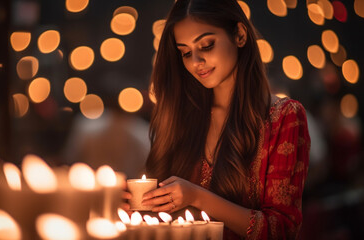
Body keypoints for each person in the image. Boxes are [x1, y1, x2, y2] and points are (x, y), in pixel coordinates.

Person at [122, 0, 311, 239]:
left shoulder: (284, 117)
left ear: (240, 35)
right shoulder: (181, 116)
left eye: (207, 45)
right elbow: (166, 219)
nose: (195, 62)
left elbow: (281, 230)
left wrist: (197, 196)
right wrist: (136, 207)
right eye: (186, 52)